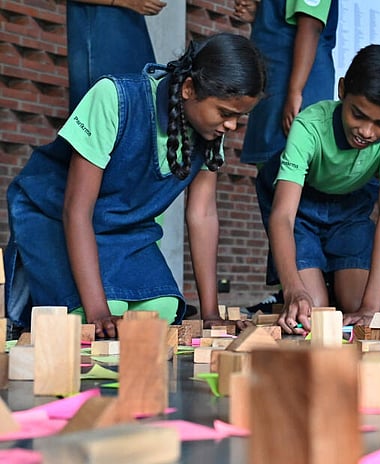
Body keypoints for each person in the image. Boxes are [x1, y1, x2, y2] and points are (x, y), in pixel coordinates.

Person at [5, 33, 268, 338]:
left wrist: (210, 314)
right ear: (188, 88)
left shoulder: (209, 134)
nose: (232, 126)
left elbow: (203, 216)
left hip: (124, 230)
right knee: (99, 316)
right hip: (55, 218)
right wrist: (98, 312)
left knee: (163, 309)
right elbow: (76, 211)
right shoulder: (114, 98)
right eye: (225, 113)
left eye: (240, 118)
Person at [267, 44, 380, 334]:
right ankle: (281, 297)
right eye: (358, 115)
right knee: (314, 312)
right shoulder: (308, 126)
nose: (367, 131)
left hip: (352, 208)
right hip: (301, 209)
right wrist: (294, 290)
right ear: (342, 89)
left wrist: (370, 307)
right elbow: (282, 216)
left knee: (355, 305)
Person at [233, 0, 339, 314]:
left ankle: (309, 282)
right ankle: (286, 286)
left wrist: (295, 91)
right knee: (273, 185)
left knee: (292, 192)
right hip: (275, 88)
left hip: (291, 90)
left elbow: (310, 24)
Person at [67, 0, 167, 111]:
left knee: (141, 105)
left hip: (131, 36)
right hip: (101, 39)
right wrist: (128, 2)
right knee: (105, 109)